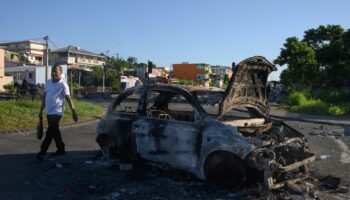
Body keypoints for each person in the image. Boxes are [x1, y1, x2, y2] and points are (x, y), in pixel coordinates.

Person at [36, 64, 78, 161]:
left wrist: (73, 111)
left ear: (60, 73)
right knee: (53, 130)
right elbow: (44, 97)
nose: (54, 73)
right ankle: (61, 148)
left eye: (56, 71)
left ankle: (42, 152)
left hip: (57, 111)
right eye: (52, 71)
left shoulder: (63, 84)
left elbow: (68, 98)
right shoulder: (48, 82)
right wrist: (41, 110)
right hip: (49, 111)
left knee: (51, 130)